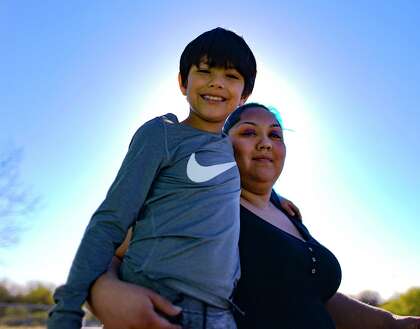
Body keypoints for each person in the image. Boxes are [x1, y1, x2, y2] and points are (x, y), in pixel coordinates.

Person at [89, 103, 420, 329]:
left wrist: (394, 324)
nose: (265, 143)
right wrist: (109, 294)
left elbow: (313, 297)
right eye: (249, 133)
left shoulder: (287, 213)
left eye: (275, 135)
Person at [47, 27, 259, 329]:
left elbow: (242, 193)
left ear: (244, 96)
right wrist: (67, 312)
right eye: (204, 71)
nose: (216, 82)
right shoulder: (162, 134)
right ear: (182, 82)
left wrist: (279, 200)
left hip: (220, 315)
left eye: (231, 76)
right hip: (155, 302)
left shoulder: (231, 150)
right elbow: (110, 221)